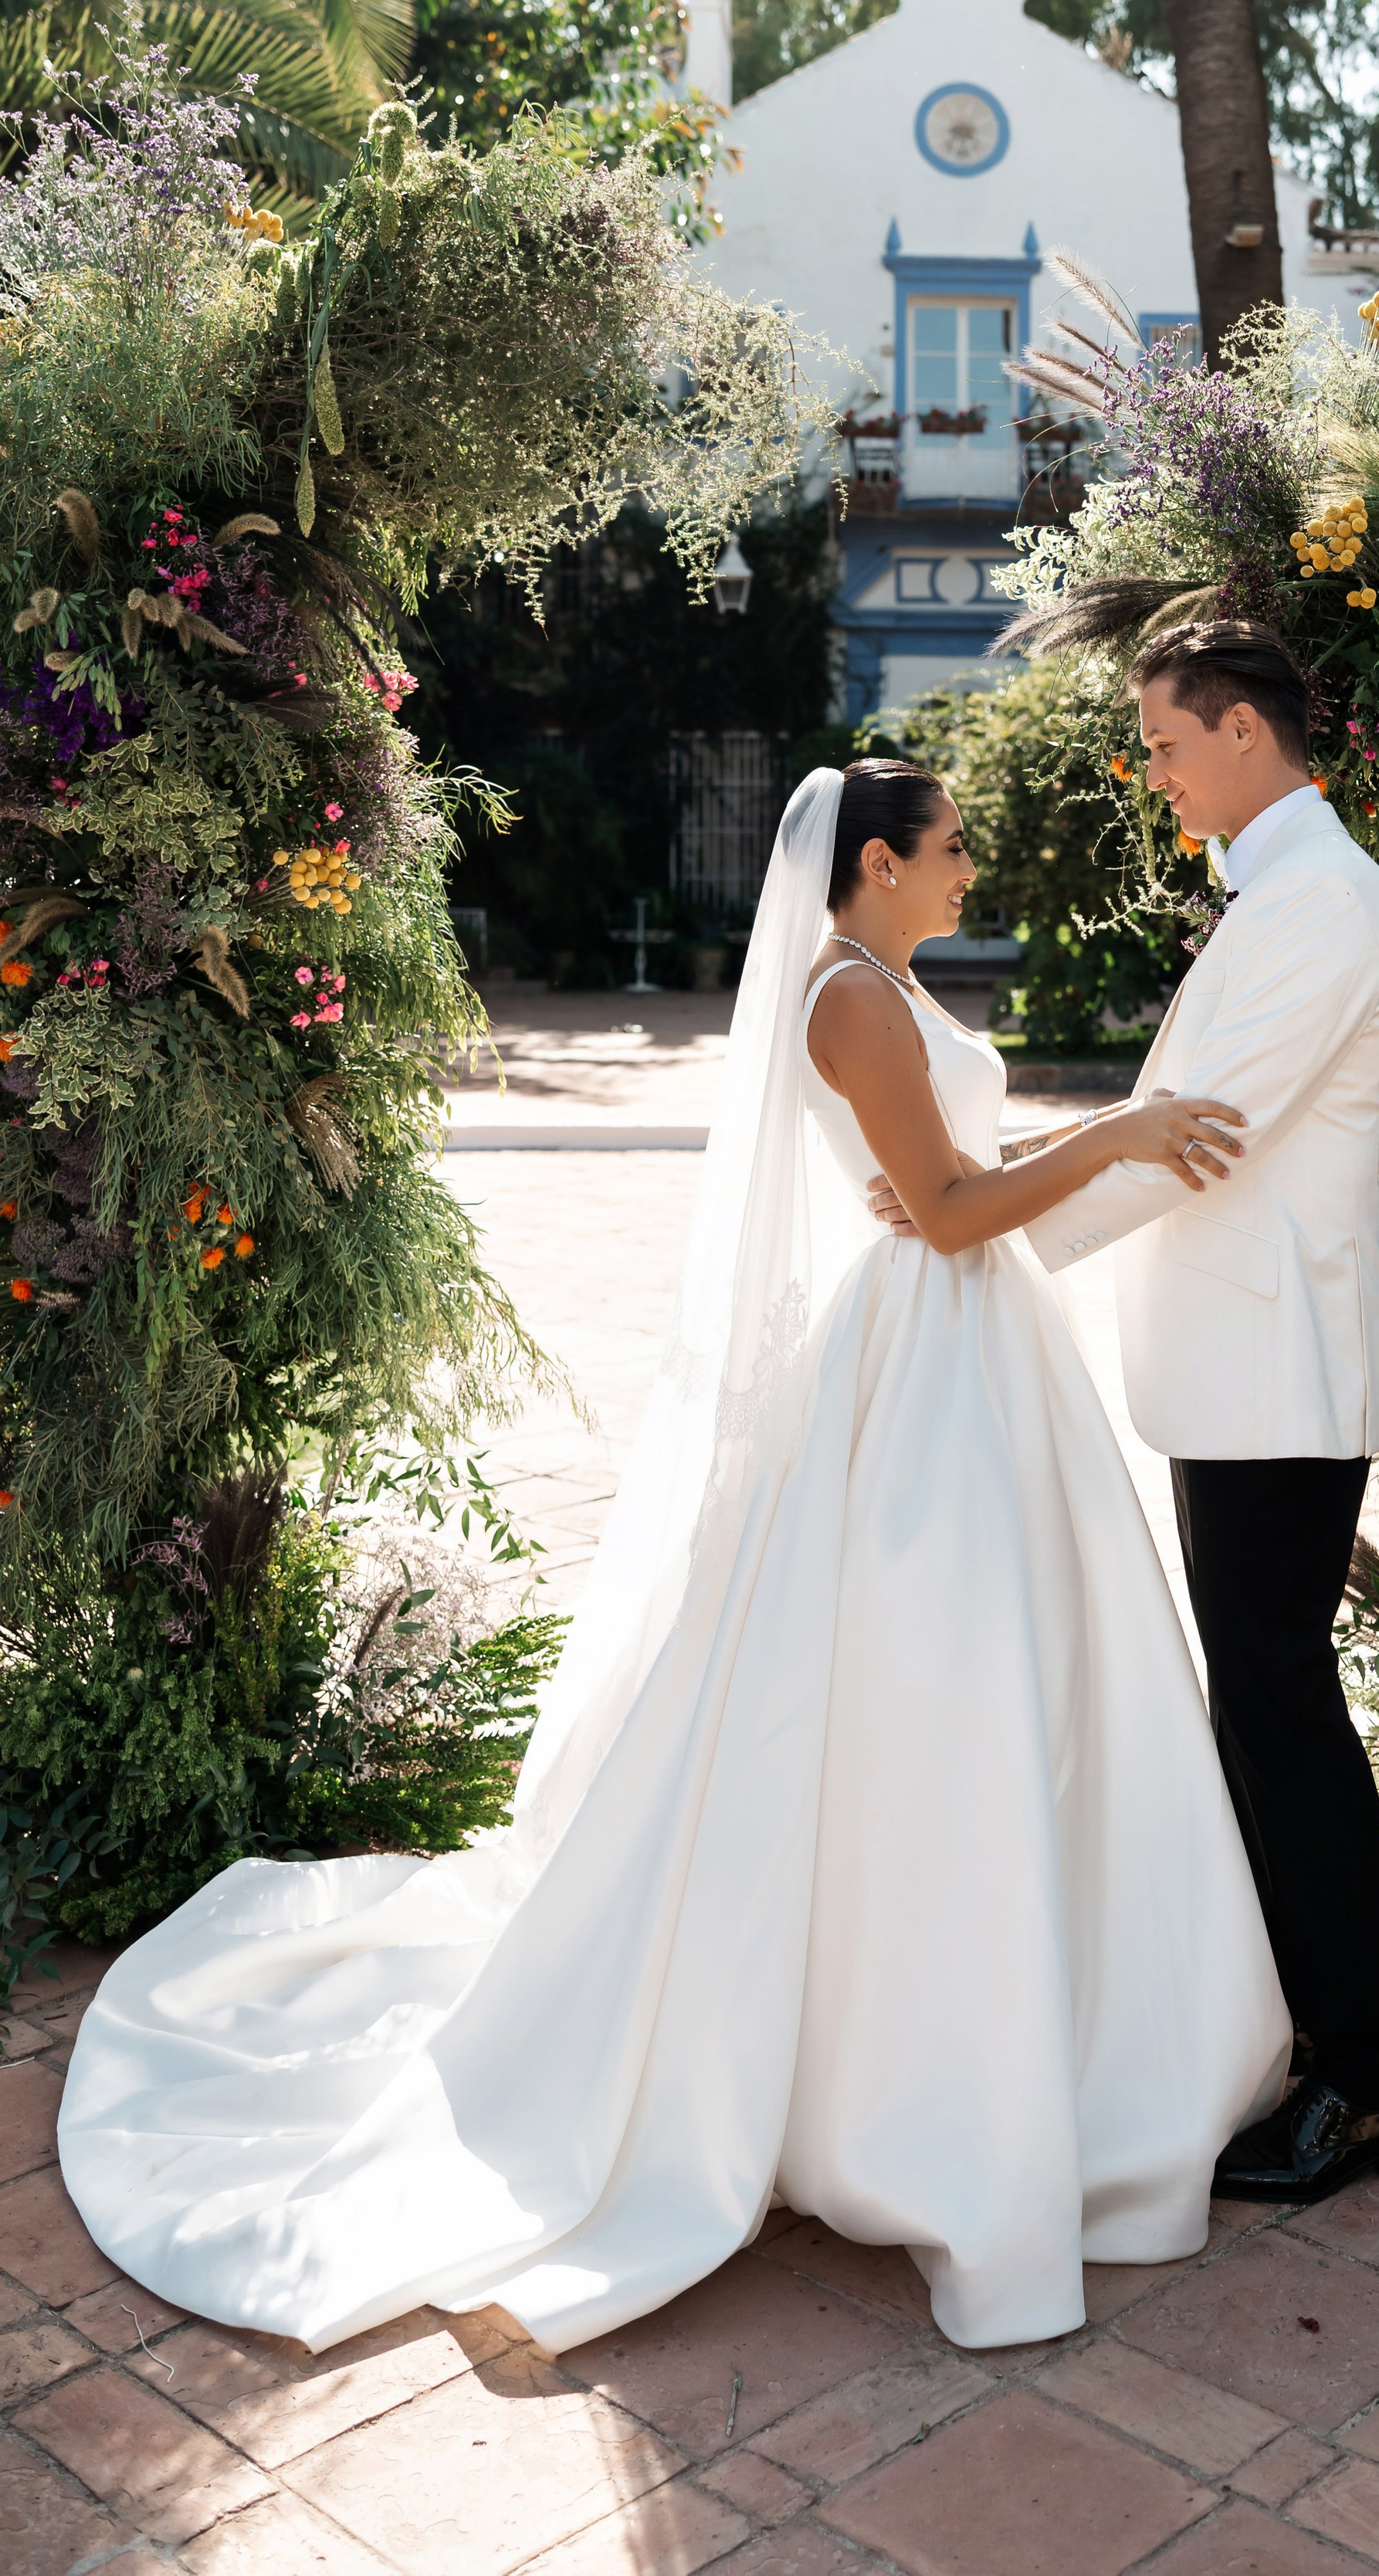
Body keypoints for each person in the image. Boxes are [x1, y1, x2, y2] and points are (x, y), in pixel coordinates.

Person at [57, 762, 1290, 2358]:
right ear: (875, 863)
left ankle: (1034, 2029)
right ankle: (897, 2076)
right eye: (954, 845)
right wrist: (1121, 1135)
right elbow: (949, 1208)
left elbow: (948, 1180)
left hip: (975, 1360)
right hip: (924, 1368)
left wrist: (1049, 1149)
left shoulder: (891, 985)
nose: (972, 865)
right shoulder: (848, 998)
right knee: (924, 1693)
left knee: (1020, 1691)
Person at [885, 622, 1379, 2205]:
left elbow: (1207, 1138)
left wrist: (981, 1231)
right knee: (1260, 1703)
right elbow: (1167, 1121)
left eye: (1168, 743)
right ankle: (1311, 2038)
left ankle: (1367, 2080)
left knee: (1278, 1708)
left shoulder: (1319, 904)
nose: (1153, 769)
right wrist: (978, 1212)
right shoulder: (1281, 892)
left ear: (1247, 730)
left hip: (1275, 1367)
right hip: (1243, 1363)